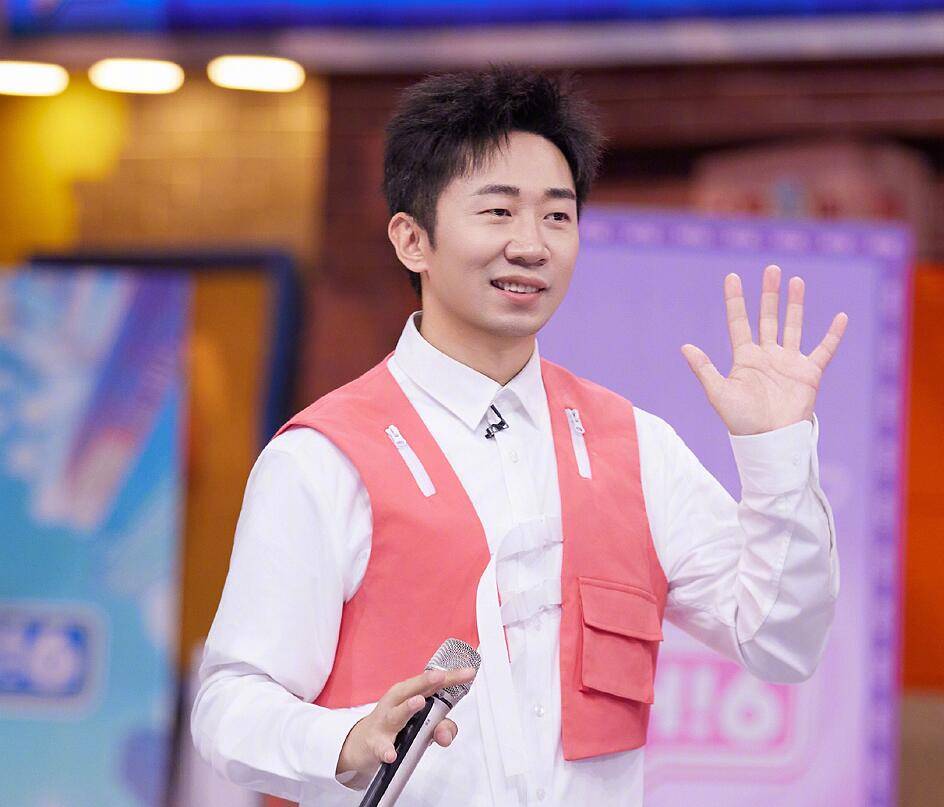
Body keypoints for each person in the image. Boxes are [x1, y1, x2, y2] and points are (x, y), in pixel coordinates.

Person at [191, 66, 847, 807]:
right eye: (498, 212)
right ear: (412, 240)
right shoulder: (324, 458)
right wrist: (344, 739)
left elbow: (781, 641)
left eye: (557, 216)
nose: (531, 245)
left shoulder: (635, 446)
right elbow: (230, 705)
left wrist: (777, 451)